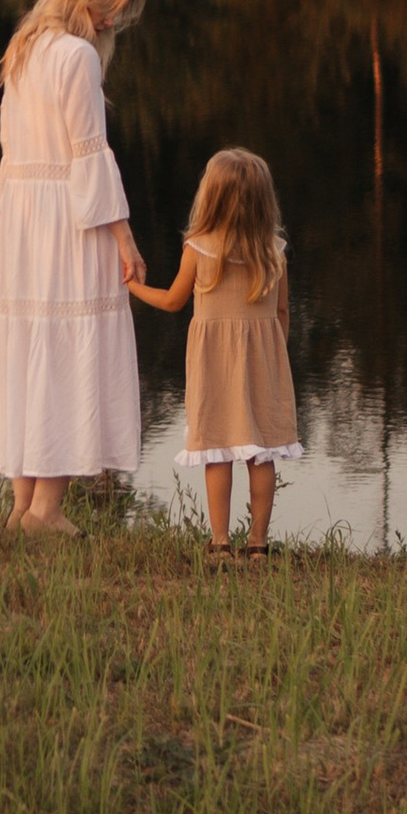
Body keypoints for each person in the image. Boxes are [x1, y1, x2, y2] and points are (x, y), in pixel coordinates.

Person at [0, 0, 149, 534]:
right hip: (66, 220)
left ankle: (22, 508)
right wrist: (125, 241)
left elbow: (10, 150)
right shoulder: (77, 55)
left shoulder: (24, 49)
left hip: (27, 220)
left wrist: (6, 214)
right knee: (62, 346)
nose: (113, 23)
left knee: (34, 350)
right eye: (112, 9)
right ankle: (46, 511)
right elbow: (90, 156)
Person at [130, 145, 301, 561]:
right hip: (265, 363)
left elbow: (173, 301)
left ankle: (220, 543)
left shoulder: (199, 247)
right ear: (264, 200)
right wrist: (275, 359)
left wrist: (132, 287)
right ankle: (259, 545)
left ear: (211, 197)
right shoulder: (273, 250)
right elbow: (281, 313)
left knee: (218, 450)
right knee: (260, 452)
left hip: (213, 365)